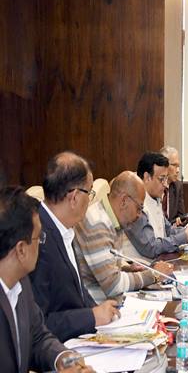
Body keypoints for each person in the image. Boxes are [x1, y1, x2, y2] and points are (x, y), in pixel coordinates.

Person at [0, 186, 94, 373]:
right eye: (39, 237)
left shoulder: (21, 283)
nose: (43, 243)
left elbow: (37, 336)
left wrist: (62, 358)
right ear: (21, 249)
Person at [29, 152, 119, 342]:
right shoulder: (37, 239)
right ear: (74, 197)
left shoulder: (64, 227)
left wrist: (101, 311)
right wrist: (91, 317)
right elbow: (38, 323)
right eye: (90, 192)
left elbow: (77, 293)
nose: (91, 200)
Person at [74, 171, 173, 302]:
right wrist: (153, 275)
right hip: (96, 305)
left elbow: (104, 267)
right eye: (139, 208)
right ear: (124, 201)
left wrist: (126, 269)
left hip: (109, 300)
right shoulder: (97, 225)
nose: (139, 215)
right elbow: (113, 286)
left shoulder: (112, 218)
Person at [123, 152, 188, 261]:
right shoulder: (136, 204)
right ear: (147, 177)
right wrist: (183, 237)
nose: (165, 184)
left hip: (160, 262)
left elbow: (167, 230)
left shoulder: (155, 198)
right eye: (161, 179)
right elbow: (151, 247)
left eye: (166, 179)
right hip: (142, 266)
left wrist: (187, 231)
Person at [159, 146, 186, 225]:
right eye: (174, 165)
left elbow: (182, 217)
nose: (178, 170)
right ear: (163, 165)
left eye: (178, 166)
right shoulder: (153, 186)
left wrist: (179, 222)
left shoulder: (177, 186)